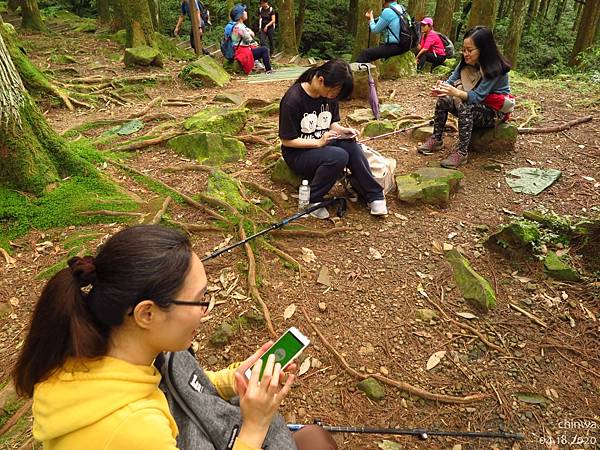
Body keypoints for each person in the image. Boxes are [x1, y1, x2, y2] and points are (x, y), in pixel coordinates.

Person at [12, 225, 337, 450]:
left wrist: (232, 379)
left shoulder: (121, 344)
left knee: (315, 438)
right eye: (199, 299)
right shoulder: (134, 428)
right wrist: (255, 425)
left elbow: (179, 384)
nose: (205, 310)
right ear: (147, 313)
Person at [278, 60, 388, 219]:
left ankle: (374, 194)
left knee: (350, 144)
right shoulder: (293, 99)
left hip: (321, 144)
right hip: (298, 153)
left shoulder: (329, 96)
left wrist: (343, 131)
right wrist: (318, 142)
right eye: (333, 92)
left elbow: (330, 123)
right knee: (338, 156)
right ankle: (312, 200)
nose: (333, 96)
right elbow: (287, 140)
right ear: (321, 80)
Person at [418, 26, 513, 169]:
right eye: (464, 49)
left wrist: (455, 92)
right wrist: (441, 89)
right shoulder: (465, 62)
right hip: (473, 106)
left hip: (493, 113)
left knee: (465, 105)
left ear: (483, 50)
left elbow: (477, 97)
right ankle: (436, 139)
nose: (466, 54)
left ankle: (462, 152)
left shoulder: (495, 68)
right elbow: (451, 81)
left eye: (470, 50)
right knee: (443, 100)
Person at [230, 4, 273, 74]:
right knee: (264, 49)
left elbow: (251, 35)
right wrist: (250, 33)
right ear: (240, 15)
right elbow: (249, 38)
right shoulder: (240, 27)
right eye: (244, 11)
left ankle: (265, 68)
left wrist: (250, 33)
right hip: (243, 53)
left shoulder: (237, 26)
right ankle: (268, 70)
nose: (246, 12)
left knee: (260, 48)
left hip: (240, 51)